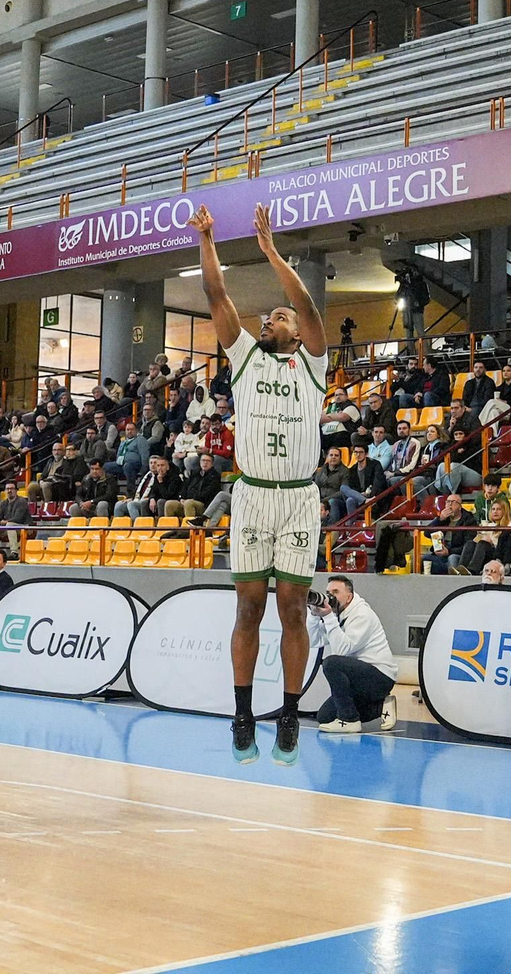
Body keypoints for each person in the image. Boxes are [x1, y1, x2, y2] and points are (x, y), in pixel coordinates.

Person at [190, 202, 323, 766]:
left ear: (296, 333)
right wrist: (208, 239)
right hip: (251, 495)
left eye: (279, 318)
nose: (270, 321)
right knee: (248, 609)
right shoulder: (244, 358)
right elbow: (216, 294)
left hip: (298, 498)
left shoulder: (313, 364)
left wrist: (270, 251)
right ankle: (242, 713)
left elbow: (307, 306)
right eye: (268, 317)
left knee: (292, 609)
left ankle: (289, 713)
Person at [312, 577, 398, 734]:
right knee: (325, 716)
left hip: (379, 677)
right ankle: (381, 707)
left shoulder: (362, 614)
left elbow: (342, 650)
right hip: (358, 677)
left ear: (349, 596)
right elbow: (313, 640)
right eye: (328, 592)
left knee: (331, 663)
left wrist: (329, 617)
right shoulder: (339, 614)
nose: (330, 596)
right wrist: (313, 615)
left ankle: (349, 721)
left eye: (336, 592)